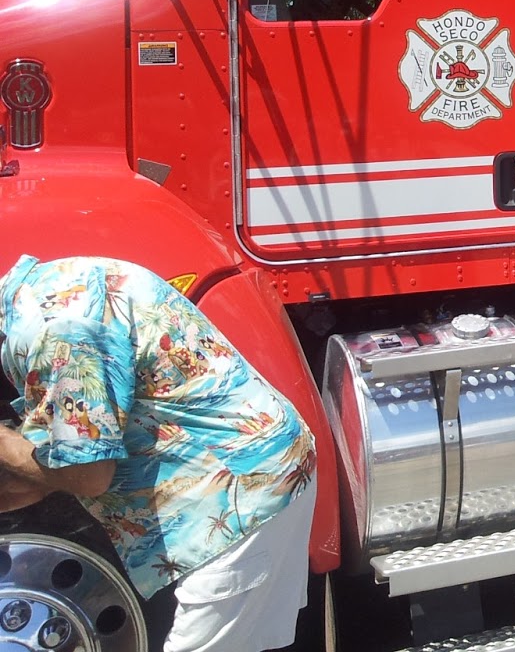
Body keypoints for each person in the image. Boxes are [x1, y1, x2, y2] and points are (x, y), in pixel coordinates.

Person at [0, 255, 316, 652]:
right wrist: (36, 472)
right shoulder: (56, 283)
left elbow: (88, 475)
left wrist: (6, 447)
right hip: (259, 473)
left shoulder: (59, 330)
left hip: (238, 498)